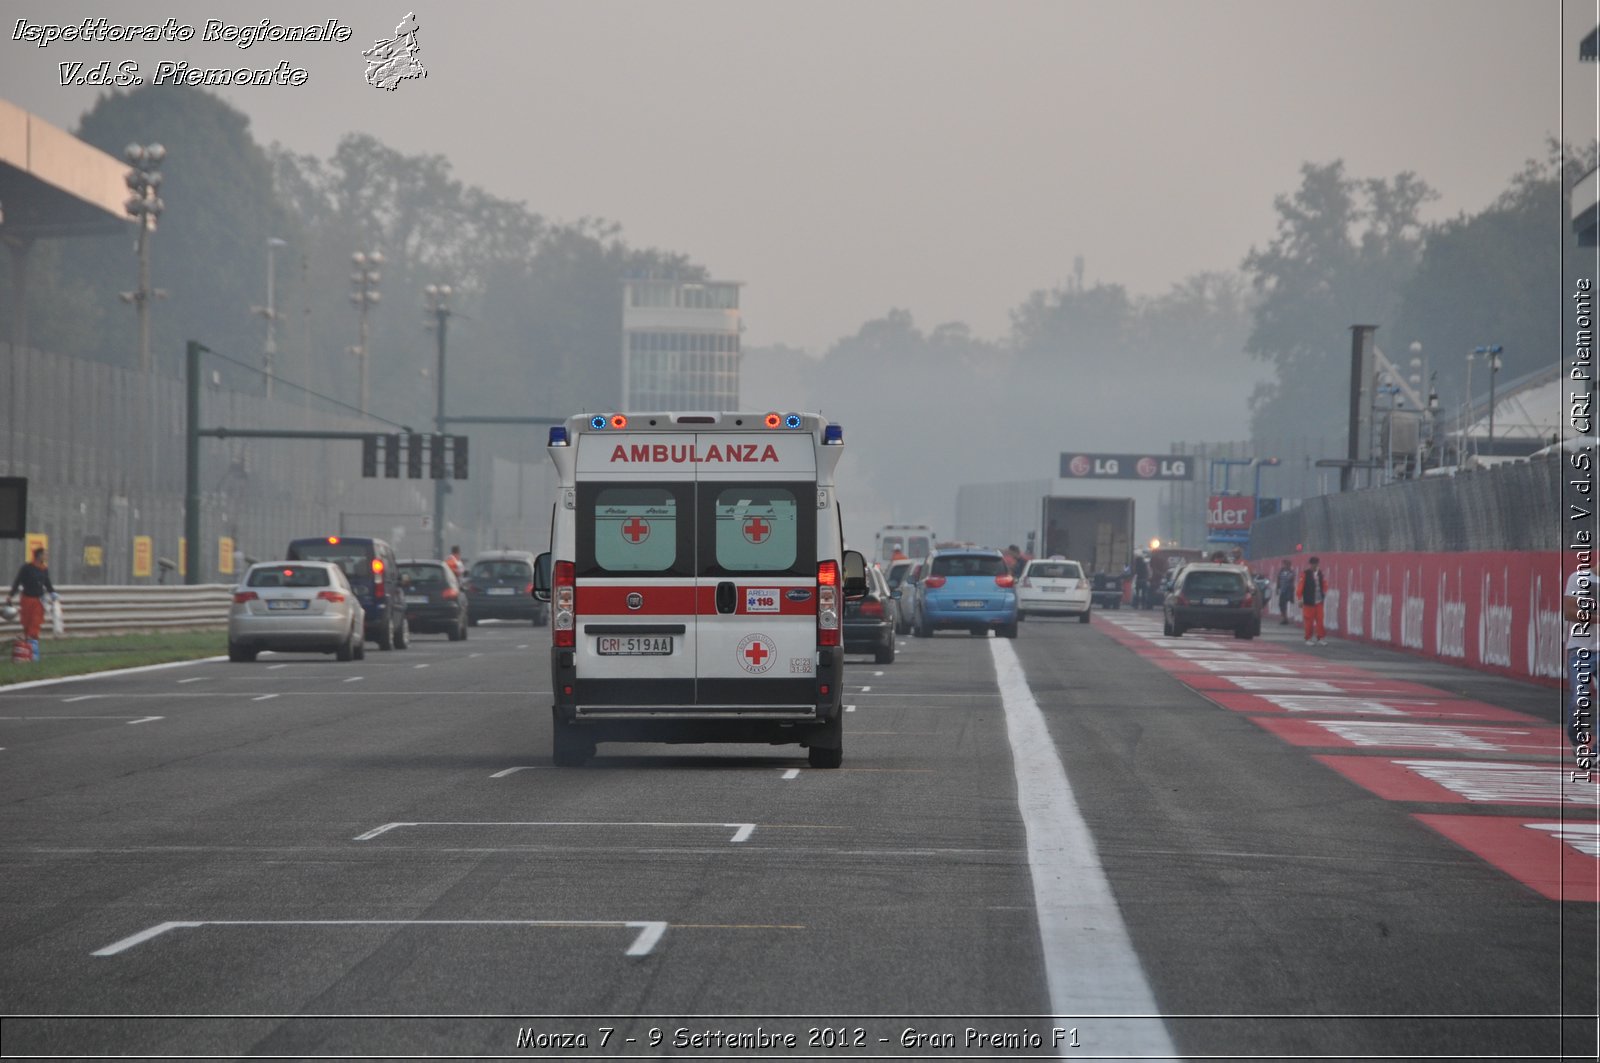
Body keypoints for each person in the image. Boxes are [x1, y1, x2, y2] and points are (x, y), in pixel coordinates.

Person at [1563, 569, 1597, 757]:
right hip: (1581, 649)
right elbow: (1569, 612)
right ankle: (1577, 741)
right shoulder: (1579, 578)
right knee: (1579, 700)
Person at [6, 546, 58, 653]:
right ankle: (27, 648)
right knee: (26, 623)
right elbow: (18, 581)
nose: (47, 556)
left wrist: (52, 592)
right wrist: (11, 595)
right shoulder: (27, 568)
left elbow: (47, 583)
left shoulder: (44, 569)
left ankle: (33, 649)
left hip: (38, 601)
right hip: (26, 599)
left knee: (35, 624)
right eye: (45, 554)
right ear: (39, 555)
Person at [1299, 555, 1327, 645]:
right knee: (1309, 622)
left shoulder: (1320, 574)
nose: (1315, 566)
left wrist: (1324, 593)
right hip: (1308, 602)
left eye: (1316, 564)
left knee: (1320, 621)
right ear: (1310, 565)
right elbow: (1300, 587)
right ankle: (1308, 638)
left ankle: (1320, 638)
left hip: (1319, 601)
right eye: (1313, 564)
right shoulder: (1305, 574)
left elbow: (1324, 584)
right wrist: (1300, 598)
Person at [1275, 559, 1296, 625]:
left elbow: (1291, 580)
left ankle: (1285, 618)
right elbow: (1278, 580)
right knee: (1281, 604)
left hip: (1288, 590)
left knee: (1284, 604)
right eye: (1284, 564)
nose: (1285, 566)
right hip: (1283, 590)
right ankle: (1284, 618)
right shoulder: (1281, 572)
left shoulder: (1291, 572)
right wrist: (1277, 588)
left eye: (1287, 564)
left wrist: (1292, 591)